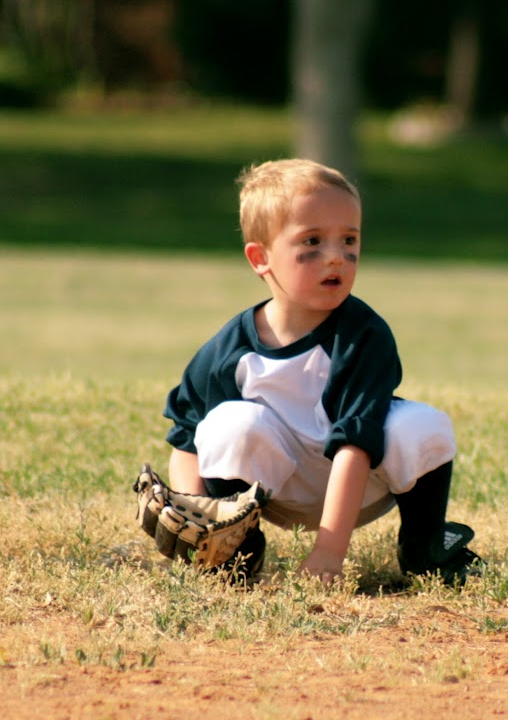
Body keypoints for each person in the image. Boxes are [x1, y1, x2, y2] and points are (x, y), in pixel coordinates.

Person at [162, 158, 481, 585]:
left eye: (349, 240)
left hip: (362, 486)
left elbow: (356, 445)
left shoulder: (362, 335)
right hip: (272, 494)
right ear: (261, 258)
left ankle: (425, 548)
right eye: (312, 241)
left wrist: (330, 552)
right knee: (226, 424)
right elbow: (187, 438)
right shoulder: (228, 349)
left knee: (422, 424)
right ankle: (237, 553)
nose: (336, 257)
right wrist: (198, 512)